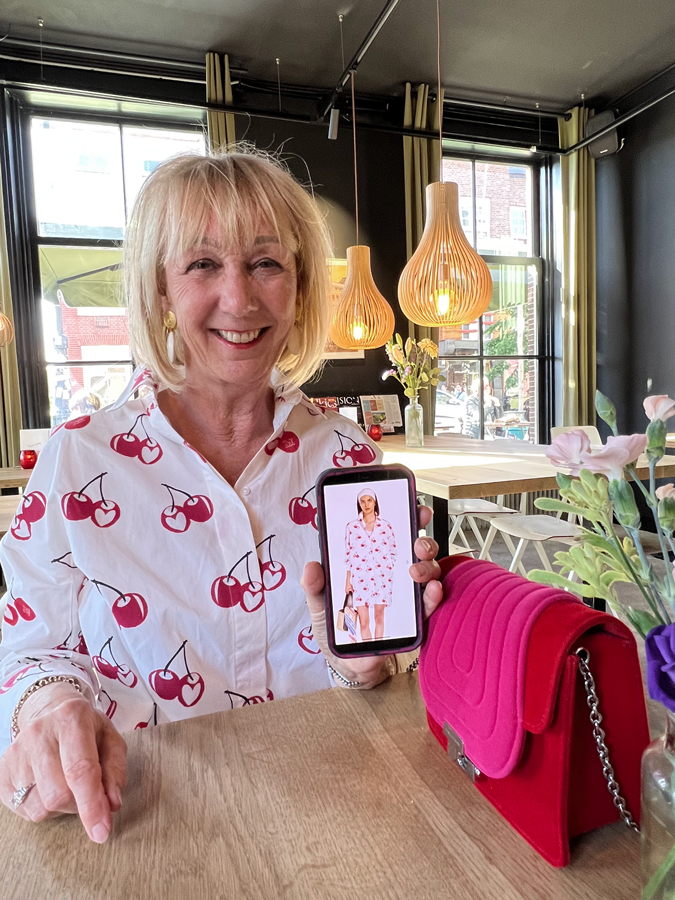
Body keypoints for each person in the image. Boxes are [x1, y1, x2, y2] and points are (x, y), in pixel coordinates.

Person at [0, 149, 443, 843]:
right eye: (203, 264)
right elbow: (25, 648)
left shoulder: (349, 458)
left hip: (335, 814)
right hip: (142, 821)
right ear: (160, 291)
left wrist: (360, 665)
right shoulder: (78, 462)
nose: (239, 299)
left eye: (266, 263)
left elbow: (380, 678)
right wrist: (47, 704)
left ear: (297, 287)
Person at [344, 488, 396, 641]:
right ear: (358, 504)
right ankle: (367, 650)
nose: (366, 504)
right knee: (363, 621)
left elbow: (393, 551)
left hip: (381, 578)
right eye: (362, 501)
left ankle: (378, 648)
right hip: (360, 578)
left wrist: (388, 569)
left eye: (369, 500)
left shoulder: (386, 526)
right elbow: (348, 556)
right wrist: (348, 581)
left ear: (375, 502)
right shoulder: (351, 527)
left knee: (379, 617)